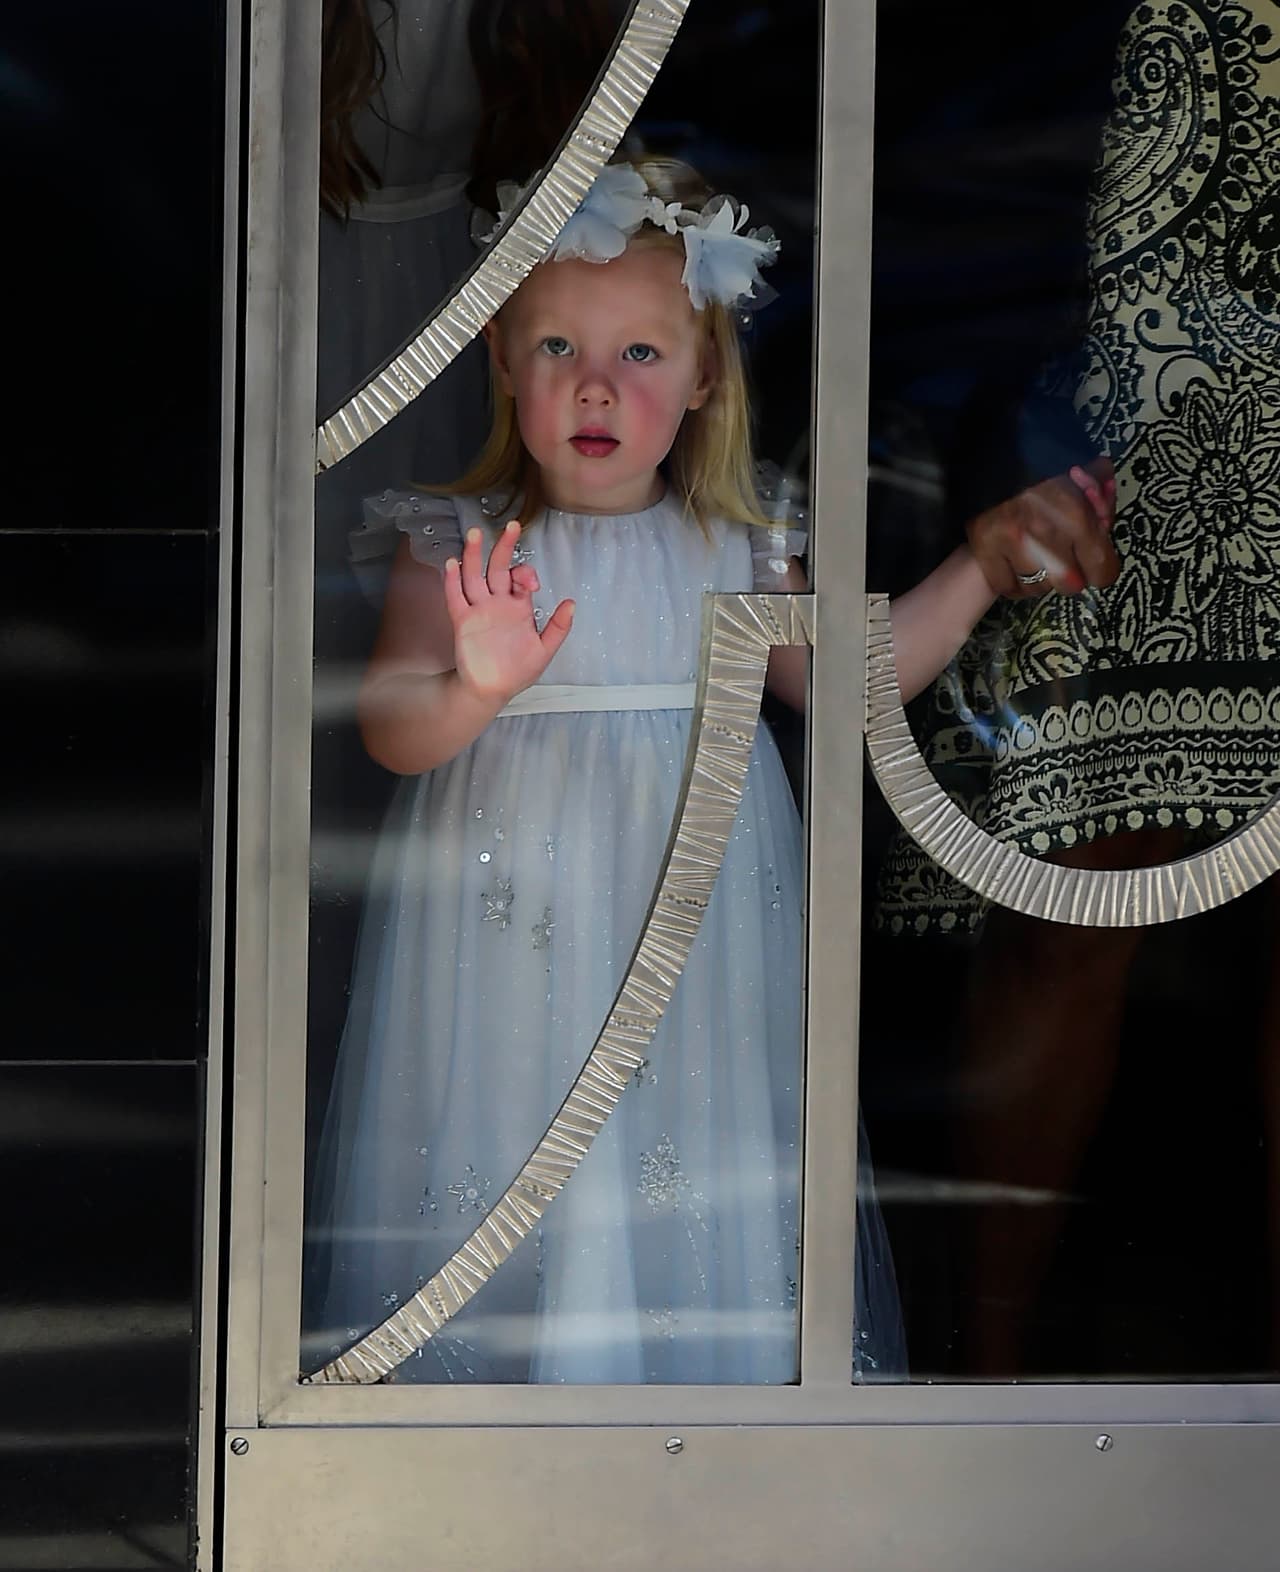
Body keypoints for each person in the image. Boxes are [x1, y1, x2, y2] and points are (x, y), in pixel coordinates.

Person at [301, 159, 1086, 1385]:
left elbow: (845, 685)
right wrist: (474, 687)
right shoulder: (456, 543)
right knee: (518, 1125)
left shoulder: (728, 541)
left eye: (643, 355)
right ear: (502, 361)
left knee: (678, 1128)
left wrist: (979, 570)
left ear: (707, 375)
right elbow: (392, 735)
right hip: (513, 920)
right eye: (556, 346)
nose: (596, 386)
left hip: (691, 909)